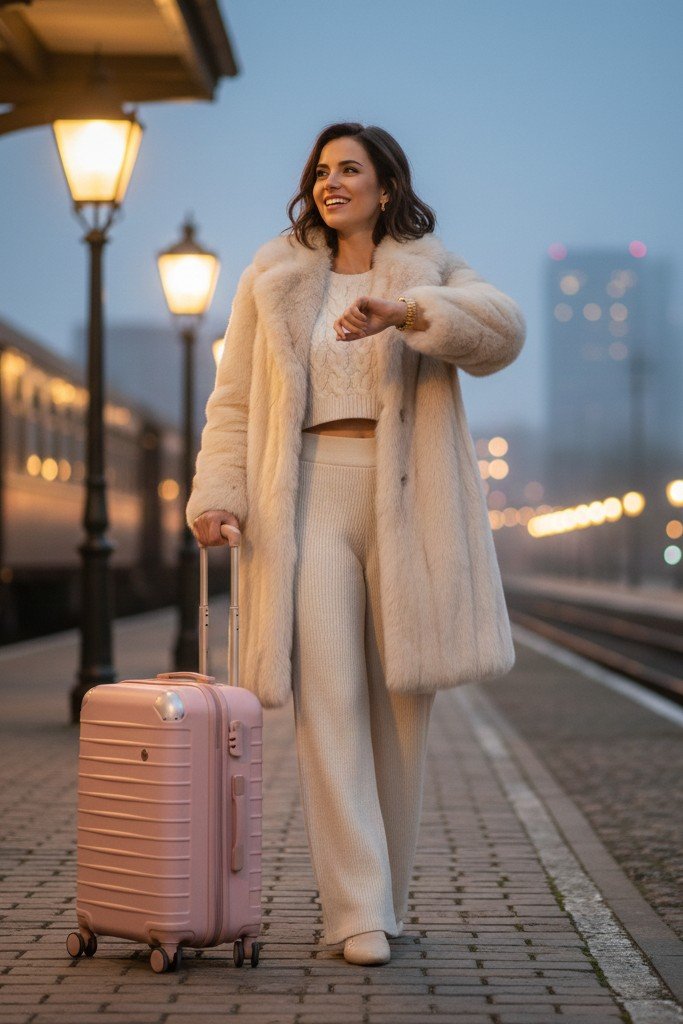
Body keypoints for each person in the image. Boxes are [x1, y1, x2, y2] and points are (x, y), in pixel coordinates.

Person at [188, 122, 526, 965]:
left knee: (402, 710)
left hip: (406, 501)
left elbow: (501, 333)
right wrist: (218, 495)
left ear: (385, 185)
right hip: (305, 496)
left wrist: (409, 313)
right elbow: (232, 402)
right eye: (321, 170)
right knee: (329, 705)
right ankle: (355, 913)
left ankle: (388, 898)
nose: (332, 181)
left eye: (350, 169)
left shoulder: (430, 269)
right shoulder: (271, 275)